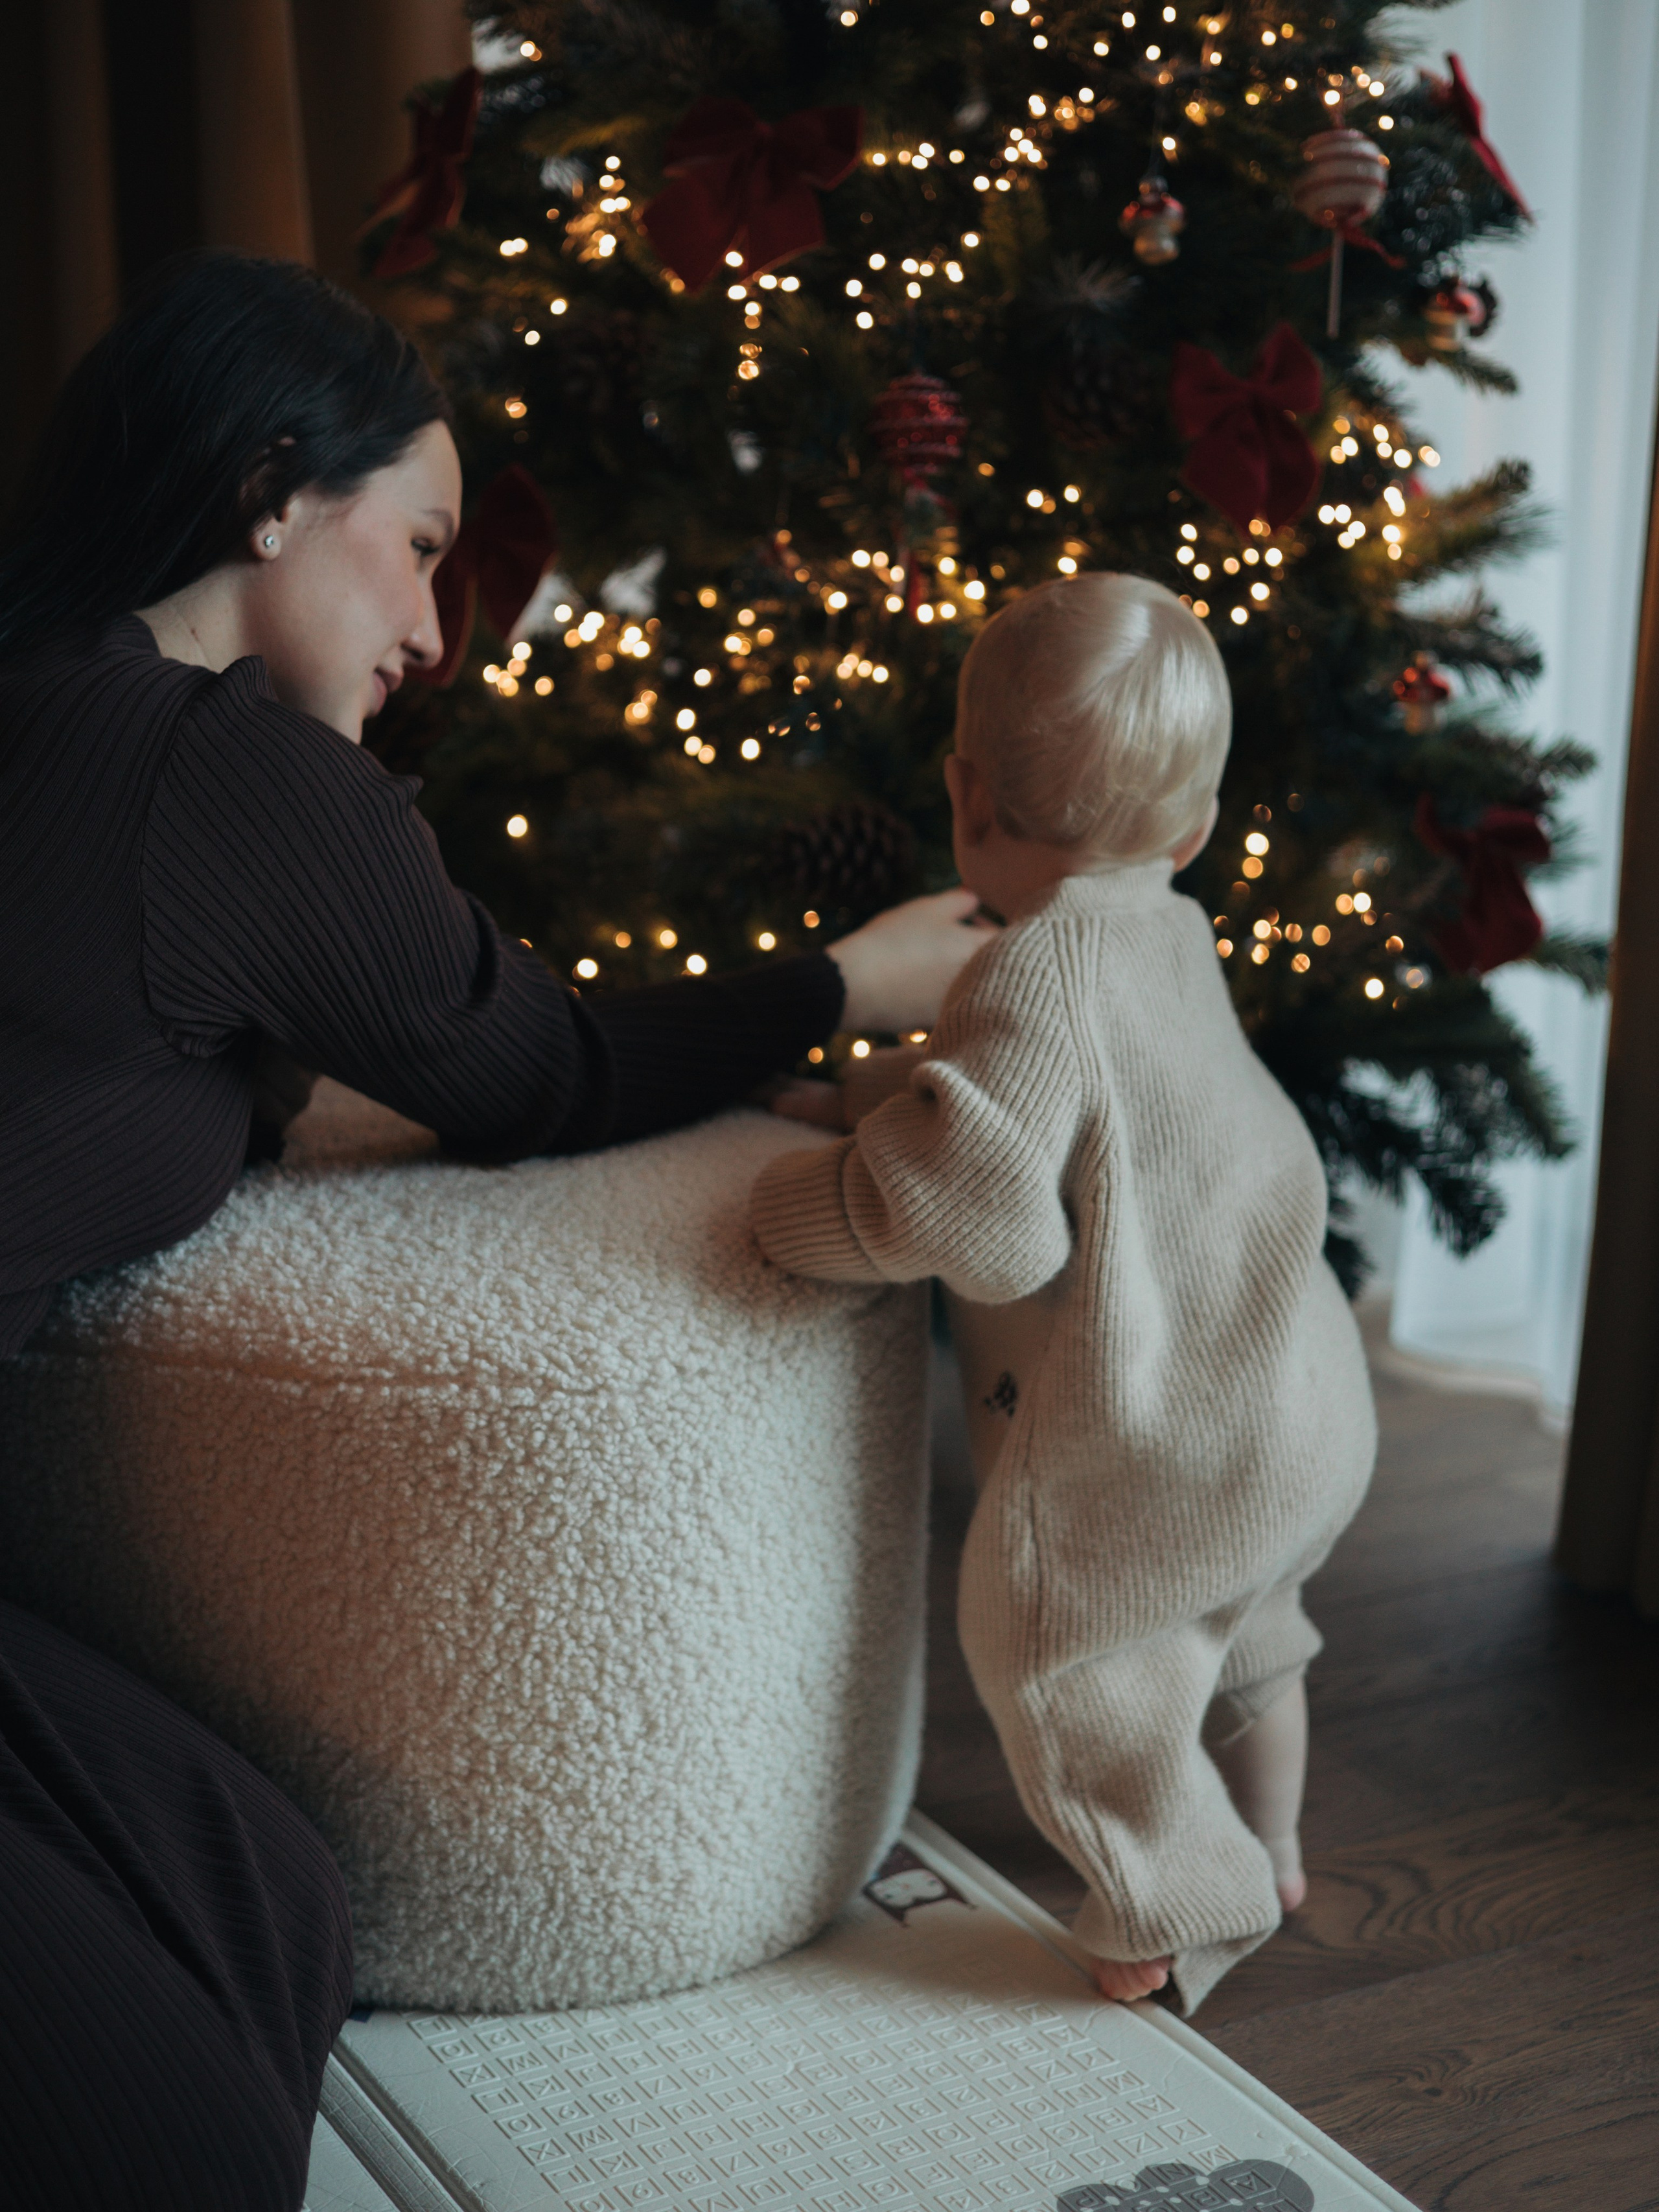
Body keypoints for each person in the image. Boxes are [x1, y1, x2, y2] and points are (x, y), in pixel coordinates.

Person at [0, 253, 987, 2209]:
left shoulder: (59, 710)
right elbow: (537, 1068)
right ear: (277, 486)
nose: (438, 632)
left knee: (275, 1896)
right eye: (424, 543)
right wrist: (840, 981)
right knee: (180, 2140)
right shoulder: (227, 770)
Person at [754, 573, 1378, 2016]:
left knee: (1057, 1647)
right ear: (1194, 829)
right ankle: (1273, 1838)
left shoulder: (1031, 970)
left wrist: (783, 1213)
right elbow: (1027, 1108)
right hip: (1299, 1399)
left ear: (964, 792)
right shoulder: (1169, 935)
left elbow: (976, 1215)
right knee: (1245, 1626)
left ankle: (1176, 1900)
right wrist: (860, 1094)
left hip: (1170, 1437)